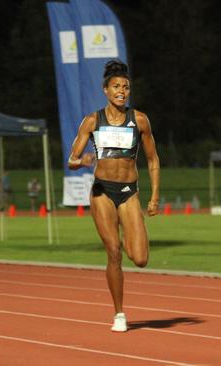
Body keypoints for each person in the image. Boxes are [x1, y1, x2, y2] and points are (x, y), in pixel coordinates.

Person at [68, 60, 160, 332]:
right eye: (116, 86)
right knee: (113, 252)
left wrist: (154, 197)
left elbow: (153, 160)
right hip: (102, 192)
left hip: (129, 193)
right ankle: (119, 314)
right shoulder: (92, 121)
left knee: (140, 258)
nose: (122, 91)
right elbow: (72, 159)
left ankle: (129, 236)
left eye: (126, 87)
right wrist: (82, 161)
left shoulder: (139, 120)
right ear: (105, 90)